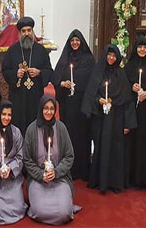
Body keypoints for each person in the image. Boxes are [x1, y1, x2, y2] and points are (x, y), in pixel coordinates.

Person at [82, 44, 137, 193]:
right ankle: (99, 181)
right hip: (100, 118)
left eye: (114, 56)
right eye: (109, 55)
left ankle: (114, 182)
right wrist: (98, 100)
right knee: (100, 147)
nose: (111, 58)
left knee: (116, 149)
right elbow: (90, 94)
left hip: (117, 118)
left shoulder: (121, 73)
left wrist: (128, 124)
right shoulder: (98, 72)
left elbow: (127, 100)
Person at [23, 95, 78, 225]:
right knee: (40, 211)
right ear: (41, 109)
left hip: (60, 179)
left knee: (64, 213)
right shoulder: (31, 129)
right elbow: (27, 159)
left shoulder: (61, 128)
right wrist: (41, 175)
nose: (49, 111)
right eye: (45, 108)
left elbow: (69, 156)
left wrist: (57, 172)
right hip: (38, 180)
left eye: (52, 108)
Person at [52, 29, 95, 181]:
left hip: (83, 105)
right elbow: (55, 78)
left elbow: (93, 81)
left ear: (82, 42)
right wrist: (62, 83)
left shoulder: (89, 59)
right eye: (72, 41)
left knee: (83, 136)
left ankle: (83, 168)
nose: (75, 43)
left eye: (77, 40)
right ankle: (68, 168)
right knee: (69, 135)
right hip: (68, 105)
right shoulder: (65, 59)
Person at [2, 17, 53, 134]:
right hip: (18, 96)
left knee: (36, 125)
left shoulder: (41, 50)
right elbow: (5, 70)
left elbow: (49, 70)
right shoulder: (12, 50)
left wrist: (39, 72)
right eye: (23, 31)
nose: (26, 34)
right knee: (18, 126)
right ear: (19, 33)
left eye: (29, 30)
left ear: (32, 32)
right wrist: (16, 73)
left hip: (35, 96)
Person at [0, 99, 27, 224]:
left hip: (11, 177)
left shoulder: (16, 132)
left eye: (9, 115)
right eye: (4, 114)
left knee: (17, 208)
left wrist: (10, 169)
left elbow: (20, 156)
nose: (6, 118)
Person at [124, 37, 146, 188]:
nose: (142, 50)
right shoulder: (130, 65)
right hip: (133, 109)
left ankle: (144, 178)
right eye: (140, 47)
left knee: (145, 143)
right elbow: (122, 84)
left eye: (145, 47)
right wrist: (131, 87)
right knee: (132, 142)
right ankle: (131, 177)